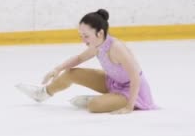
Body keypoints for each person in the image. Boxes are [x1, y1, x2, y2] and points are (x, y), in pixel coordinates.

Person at [16, 9, 158, 114]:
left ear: (100, 33)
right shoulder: (97, 44)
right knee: (71, 73)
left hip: (132, 91)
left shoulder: (117, 48)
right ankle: (43, 93)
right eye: (81, 35)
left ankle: (105, 100)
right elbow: (79, 58)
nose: (83, 40)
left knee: (94, 106)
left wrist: (129, 107)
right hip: (113, 82)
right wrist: (57, 69)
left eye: (86, 36)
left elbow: (135, 78)